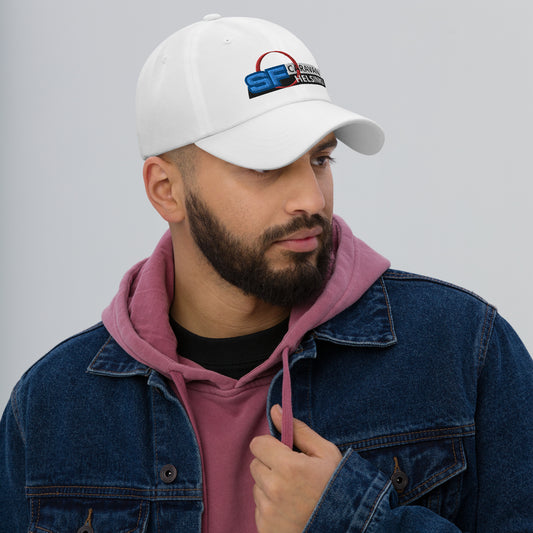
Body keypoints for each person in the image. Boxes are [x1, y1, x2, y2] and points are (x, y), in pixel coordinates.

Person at [1, 13, 532, 533]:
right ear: (166, 190)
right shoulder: (49, 407)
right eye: (265, 166)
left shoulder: (463, 351)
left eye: (320, 160)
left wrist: (349, 520)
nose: (311, 199)